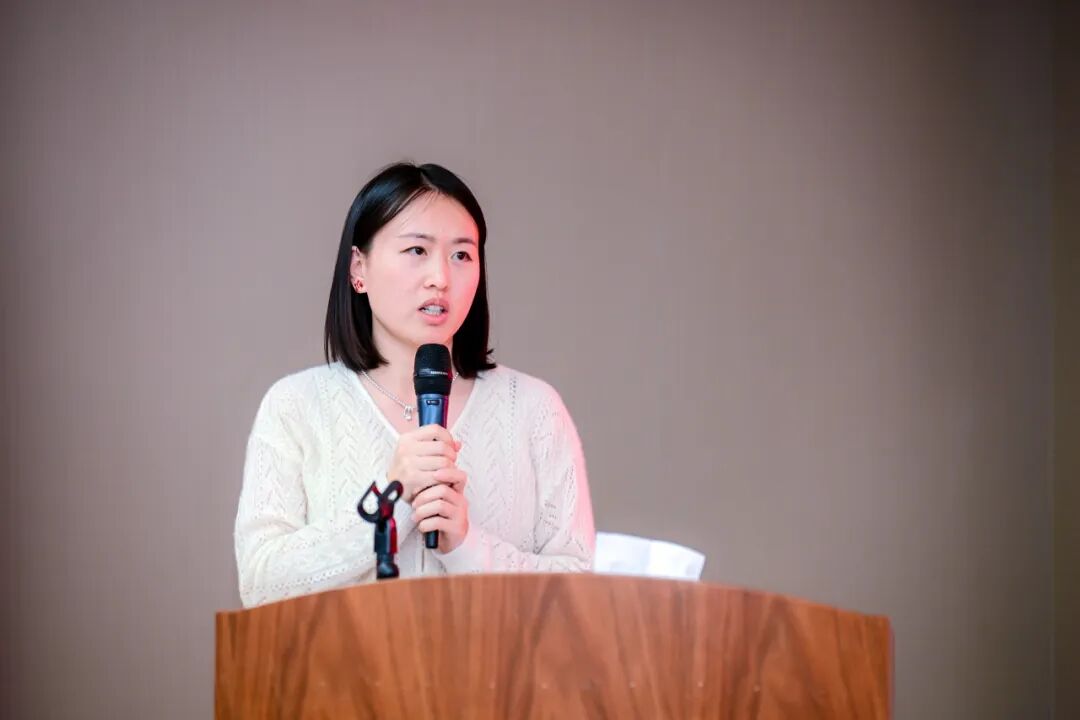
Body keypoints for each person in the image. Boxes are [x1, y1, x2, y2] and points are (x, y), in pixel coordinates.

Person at [234, 162, 596, 608]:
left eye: (461, 255)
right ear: (359, 268)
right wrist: (391, 503)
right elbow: (260, 585)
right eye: (416, 250)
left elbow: (579, 597)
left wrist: (466, 545)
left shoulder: (533, 409)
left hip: (490, 659)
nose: (440, 278)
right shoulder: (296, 406)